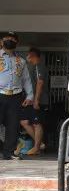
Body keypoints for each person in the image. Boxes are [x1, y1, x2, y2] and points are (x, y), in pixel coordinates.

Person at [0, 32, 34, 160]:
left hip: (15, 96)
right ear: (1, 42)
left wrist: (30, 96)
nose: (10, 40)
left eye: (12, 39)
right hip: (0, 94)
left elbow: (26, 80)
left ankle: (9, 152)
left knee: (13, 126)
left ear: (17, 43)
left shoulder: (21, 61)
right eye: (6, 38)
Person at [18, 48, 50, 155]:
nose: (27, 58)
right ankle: (40, 143)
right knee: (24, 121)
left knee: (37, 123)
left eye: (28, 55)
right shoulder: (31, 67)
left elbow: (40, 83)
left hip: (39, 100)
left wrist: (36, 100)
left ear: (32, 55)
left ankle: (36, 147)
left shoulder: (39, 66)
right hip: (31, 99)